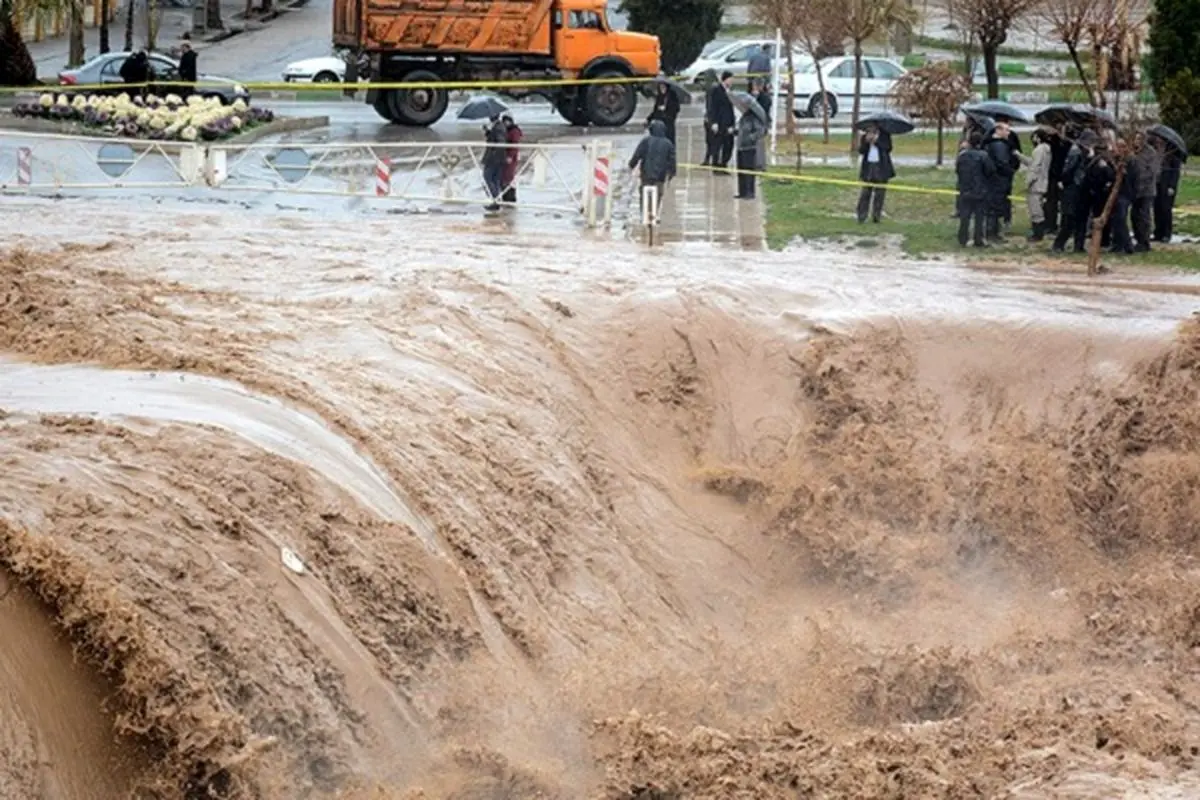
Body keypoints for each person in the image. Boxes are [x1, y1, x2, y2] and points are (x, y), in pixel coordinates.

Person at [1052, 130, 1098, 253]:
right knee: (1069, 219)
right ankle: (1058, 244)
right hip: (1073, 189)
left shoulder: (1084, 153)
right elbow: (1069, 171)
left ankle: (1079, 245)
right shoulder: (1076, 152)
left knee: (1081, 219)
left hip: (1082, 189)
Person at [628, 119, 676, 218]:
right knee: (658, 195)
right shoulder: (668, 144)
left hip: (646, 175)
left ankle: (643, 214)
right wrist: (671, 174)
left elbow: (637, 155)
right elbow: (672, 161)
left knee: (644, 195)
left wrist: (631, 165)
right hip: (660, 177)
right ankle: (654, 213)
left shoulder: (646, 141)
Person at [956, 130, 994, 248]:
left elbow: (958, 170)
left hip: (965, 189)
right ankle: (979, 239)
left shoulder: (962, 155)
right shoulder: (983, 155)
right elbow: (991, 170)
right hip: (980, 190)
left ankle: (963, 238)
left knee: (965, 216)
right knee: (980, 216)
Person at [856, 124, 894, 224]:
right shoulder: (864, 137)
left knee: (880, 194)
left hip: (881, 168)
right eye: (869, 129)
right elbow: (861, 151)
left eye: (874, 129)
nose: (871, 131)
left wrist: (876, 141)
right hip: (869, 167)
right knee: (865, 193)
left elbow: (888, 148)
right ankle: (861, 216)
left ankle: (876, 217)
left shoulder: (884, 135)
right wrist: (866, 142)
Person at [984, 122, 1015, 241]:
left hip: (994, 180)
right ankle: (992, 233)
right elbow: (1002, 163)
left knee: (995, 207)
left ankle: (993, 232)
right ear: (998, 131)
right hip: (998, 180)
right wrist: (1010, 171)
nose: (1009, 132)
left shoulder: (991, 143)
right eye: (1006, 130)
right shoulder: (999, 145)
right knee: (995, 207)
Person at [1130, 132, 1161, 252]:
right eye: (1135, 138)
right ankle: (1138, 239)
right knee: (1134, 215)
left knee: (1144, 216)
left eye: (1138, 139)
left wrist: (1140, 177)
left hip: (1147, 190)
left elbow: (1153, 171)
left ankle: (1144, 241)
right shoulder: (1134, 152)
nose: (1136, 141)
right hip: (1135, 190)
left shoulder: (1151, 153)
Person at [1106, 141, 1137, 255]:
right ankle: (1117, 244)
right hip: (1115, 193)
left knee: (1121, 219)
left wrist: (1124, 173)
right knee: (1115, 219)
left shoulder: (1131, 161)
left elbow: (1133, 179)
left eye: (1121, 147)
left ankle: (1128, 245)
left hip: (1125, 194)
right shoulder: (1115, 160)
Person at [1021, 129, 1052, 241]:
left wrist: (1028, 181)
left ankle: (1037, 234)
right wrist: (1019, 156)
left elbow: (1035, 166)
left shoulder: (1038, 150)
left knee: (1035, 210)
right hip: (1043, 182)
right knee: (1038, 208)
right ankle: (1038, 232)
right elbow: (1033, 162)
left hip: (1035, 184)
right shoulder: (1047, 149)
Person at [703, 72, 736, 170]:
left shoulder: (730, 91)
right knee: (717, 144)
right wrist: (713, 122)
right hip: (719, 122)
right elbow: (712, 107)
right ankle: (716, 166)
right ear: (725, 79)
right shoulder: (716, 90)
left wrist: (732, 124)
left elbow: (731, 109)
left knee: (728, 145)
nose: (732, 81)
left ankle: (724, 164)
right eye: (730, 79)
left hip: (728, 122)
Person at [734, 103, 767, 199]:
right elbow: (741, 130)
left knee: (748, 170)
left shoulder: (754, 118)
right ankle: (742, 191)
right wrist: (735, 132)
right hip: (740, 147)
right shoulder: (743, 118)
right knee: (741, 170)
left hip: (749, 148)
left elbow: (760, 131)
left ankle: (750, 192)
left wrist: (751, 138)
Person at [1154, 139, 1183, 243]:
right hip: (1157, 183)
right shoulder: (1156, 152)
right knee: (1157, 208)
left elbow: (1176, 172)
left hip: (1167, 185)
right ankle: (1158, 232)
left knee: (1166, 209)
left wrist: (1172, 186)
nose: (1158, 142)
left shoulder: (1173, 155)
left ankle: (1167, 233)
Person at [481, 114, 508, 211]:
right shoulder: (498, 126)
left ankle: (495, 201)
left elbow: (500, 142)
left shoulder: (498, 127)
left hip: (494, 158)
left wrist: (493, 154)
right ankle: (496, 200)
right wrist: (488, 132)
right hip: (498, 158)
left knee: (488, 178)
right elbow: (495, 139)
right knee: (495, 180)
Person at [646, 80, 680, 146]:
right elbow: (655, 110)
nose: (662, 89)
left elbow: (676, 108)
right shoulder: (659, 96)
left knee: (669, 141)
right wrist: (648, 119)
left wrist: (666, 108)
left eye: (663, 87)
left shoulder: (672, 95)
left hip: (668, 123)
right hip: (659, 123)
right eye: (660, 87)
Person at [501, 113, 522, 204]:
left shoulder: (514, 131)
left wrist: (510, 156)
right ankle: (506, 197)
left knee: (509, 176)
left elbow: (514, 145)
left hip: (511, 157)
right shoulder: (506, 130)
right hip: (506, 156)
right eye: (504, 121)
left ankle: (510, 197)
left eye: (507, 121)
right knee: (505, 177)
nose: (506, 123)